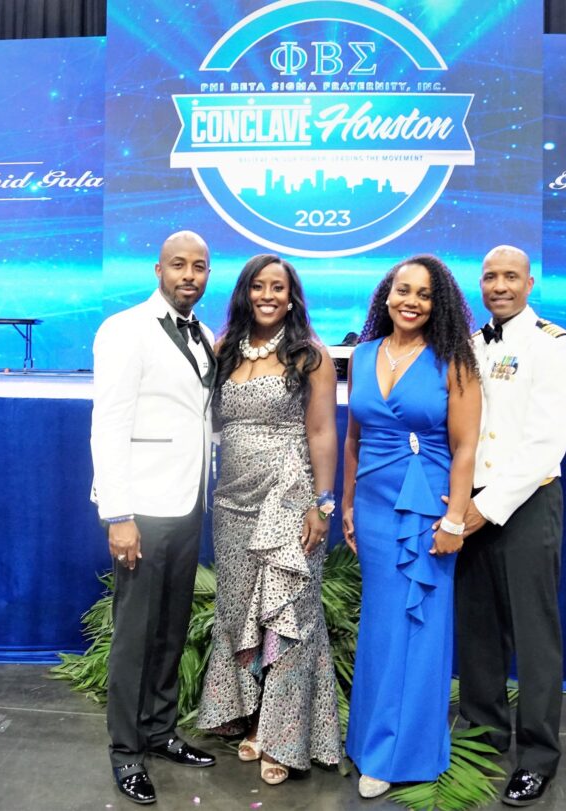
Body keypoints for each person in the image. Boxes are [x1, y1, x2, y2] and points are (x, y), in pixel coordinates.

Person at [196, 254, 342, 784]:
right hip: (232, 500)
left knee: (290, 619)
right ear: (244, 292)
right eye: (258, 285)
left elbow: (324, 432)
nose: (268, 295)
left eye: (278, 287)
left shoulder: (310, 355)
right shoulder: (224, 350)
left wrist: (321, 503)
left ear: (292, 295)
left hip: (289, 494)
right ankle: (251, 718)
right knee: (239, 612)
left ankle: (285, 737)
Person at [342, 255, 481, 798]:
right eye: (403, 290)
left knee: (415, 627)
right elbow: (353, 438)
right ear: (387, 294)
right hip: (374, 507)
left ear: (437, 303)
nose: (411, 301)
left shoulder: (454, 359)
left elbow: (466, 445)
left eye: (423, 294)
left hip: (426, 507)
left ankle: (402, 754)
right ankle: (368, 742)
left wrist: (454, 519)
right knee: (381, 625)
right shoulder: (364, 352)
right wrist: (348, 504)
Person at [90, 230, 218, 805]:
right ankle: (126, 751)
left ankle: (161, 730)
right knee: (136, 636)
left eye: (199, 267)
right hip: (140, 507)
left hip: (189, 502)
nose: (189, 275)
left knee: (170, 629)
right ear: (158, 268)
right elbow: (109, 422)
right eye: (179, 265)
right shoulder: (124, 329)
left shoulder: (206, 334)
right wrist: (118, 512)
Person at [454, 244, 566, 807]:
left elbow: (545, 442)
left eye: (510, 276)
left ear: (530, 283)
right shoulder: (470, 345)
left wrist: (488, 506)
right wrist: (463, 502)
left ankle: (536, 756)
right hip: (472, 502)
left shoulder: (554, 345)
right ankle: (481, 739)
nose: (499, 285)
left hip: (526, 502)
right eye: (489, 276)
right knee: (478, 632)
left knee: (534, 637)